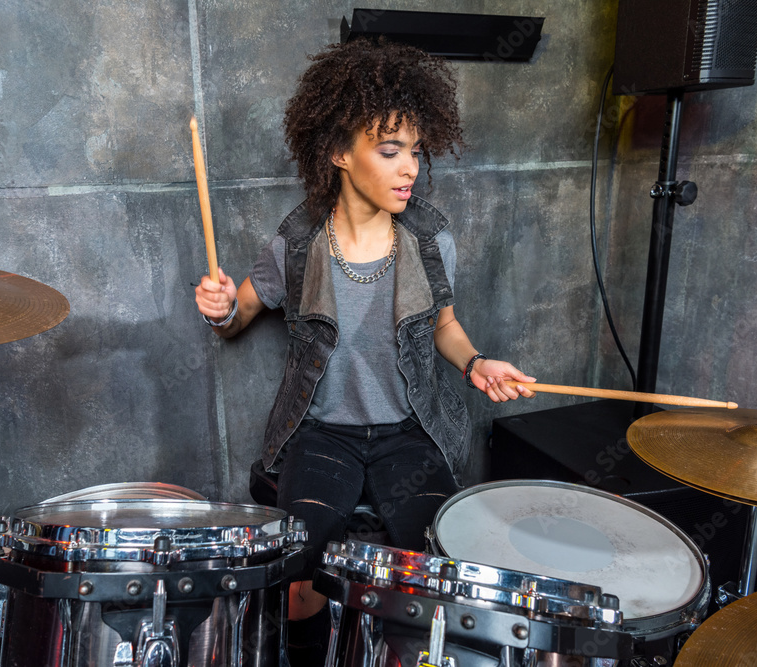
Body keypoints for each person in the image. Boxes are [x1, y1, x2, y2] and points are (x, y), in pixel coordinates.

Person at [194, 38, 535, 664]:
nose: (409, 168)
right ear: (339, 154)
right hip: (323, 432)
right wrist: (218, 306)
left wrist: (477, 362)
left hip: (409, 430)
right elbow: (238, 314)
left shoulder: (430, 239)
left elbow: (444, 327)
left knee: (433, 572)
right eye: (389, 151)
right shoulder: (297, 243)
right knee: (297, 573)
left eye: (414, 151)